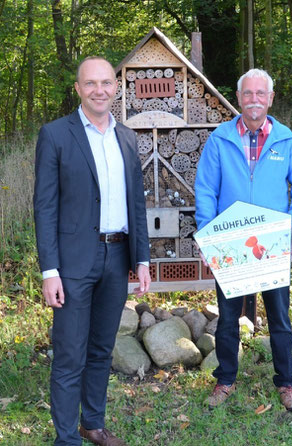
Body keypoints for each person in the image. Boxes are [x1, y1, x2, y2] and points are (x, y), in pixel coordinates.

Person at [34, 56, 151, 446]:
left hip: (117, 260)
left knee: (102, 348)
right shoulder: (55, 135)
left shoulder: (128, 138)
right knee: (70, 354)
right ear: (78, 89)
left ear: (116, 87)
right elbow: (45, 206)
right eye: (90, 83)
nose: (99, 90)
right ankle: (67, 438)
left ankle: (93, 425)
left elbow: (137, 204)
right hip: (72, 264)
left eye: (106, 83)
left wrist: (143, 259)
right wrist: (49, 270)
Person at [195, 68, 292, 411]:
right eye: (248, 94)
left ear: (270, 98)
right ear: (239, 98)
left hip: (272, 243)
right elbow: (205, 190)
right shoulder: (219, 139)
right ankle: (226, 380)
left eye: (261, 94)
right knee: (228, 318)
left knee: (279, 317)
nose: (254, 100)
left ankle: (286, 384)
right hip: (230, 242)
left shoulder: (286, 140)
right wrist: (207, 237)